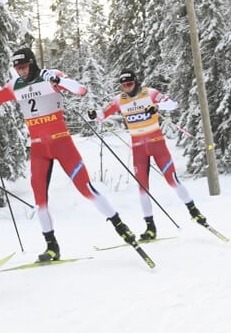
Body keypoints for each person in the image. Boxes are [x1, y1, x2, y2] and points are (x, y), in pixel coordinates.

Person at [0, 48, 137, 262]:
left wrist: (55, 79)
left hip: (62, 143)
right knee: (39, 200)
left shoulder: (49, 75)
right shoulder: (15, 85)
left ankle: (121, 226)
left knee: (86, 188)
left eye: (24, 67)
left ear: (32, 63)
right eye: (17, 68)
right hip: (38, 148)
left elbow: (80, 90)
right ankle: (52, 246)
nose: (21, 71)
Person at [87, 70, 208, 239]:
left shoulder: (149, 93)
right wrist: (93, 115)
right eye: (123, 85)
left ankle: (195, 212)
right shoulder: (119, 99)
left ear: (135, 82)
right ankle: (150, 228)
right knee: (142, 188)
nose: (127, 88)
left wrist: (156, 106)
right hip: (138, 148)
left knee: (172, 179)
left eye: (129, 84)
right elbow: (101, 115)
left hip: (157, 144)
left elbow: (173, 104)